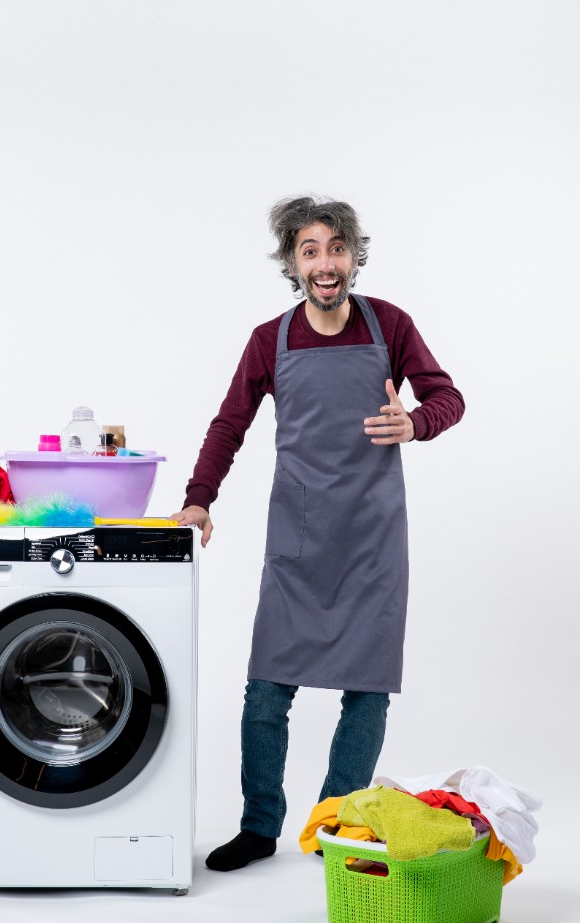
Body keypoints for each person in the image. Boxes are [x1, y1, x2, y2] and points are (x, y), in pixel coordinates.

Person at [170, 195, 465, 872]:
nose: (325, 263)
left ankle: (335, 824)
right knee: (267, 688)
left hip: (372, 540)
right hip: (298, 541)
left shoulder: (389, 325)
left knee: (367, 688)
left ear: (354, 256)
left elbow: (447, 395)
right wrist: (198, 500)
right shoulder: (268, 340)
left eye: (336, 248)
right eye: (310, 250)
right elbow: (229, 425)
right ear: (292, 262)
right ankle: (259, 825)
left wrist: (415, 423)